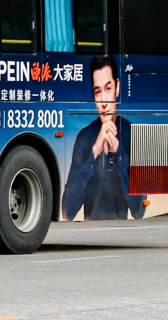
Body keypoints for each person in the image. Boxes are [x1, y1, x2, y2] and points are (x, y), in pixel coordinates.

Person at [61, 55, 144, 220]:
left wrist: (119, 152)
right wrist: (94, 151)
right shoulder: (85, 138)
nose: (104, 101)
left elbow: (139, 210)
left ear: (117, 88)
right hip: (90, 233)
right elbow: (67, 211)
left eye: (108, 88)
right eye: (98, 92)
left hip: (122, 234)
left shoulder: (132, 133)